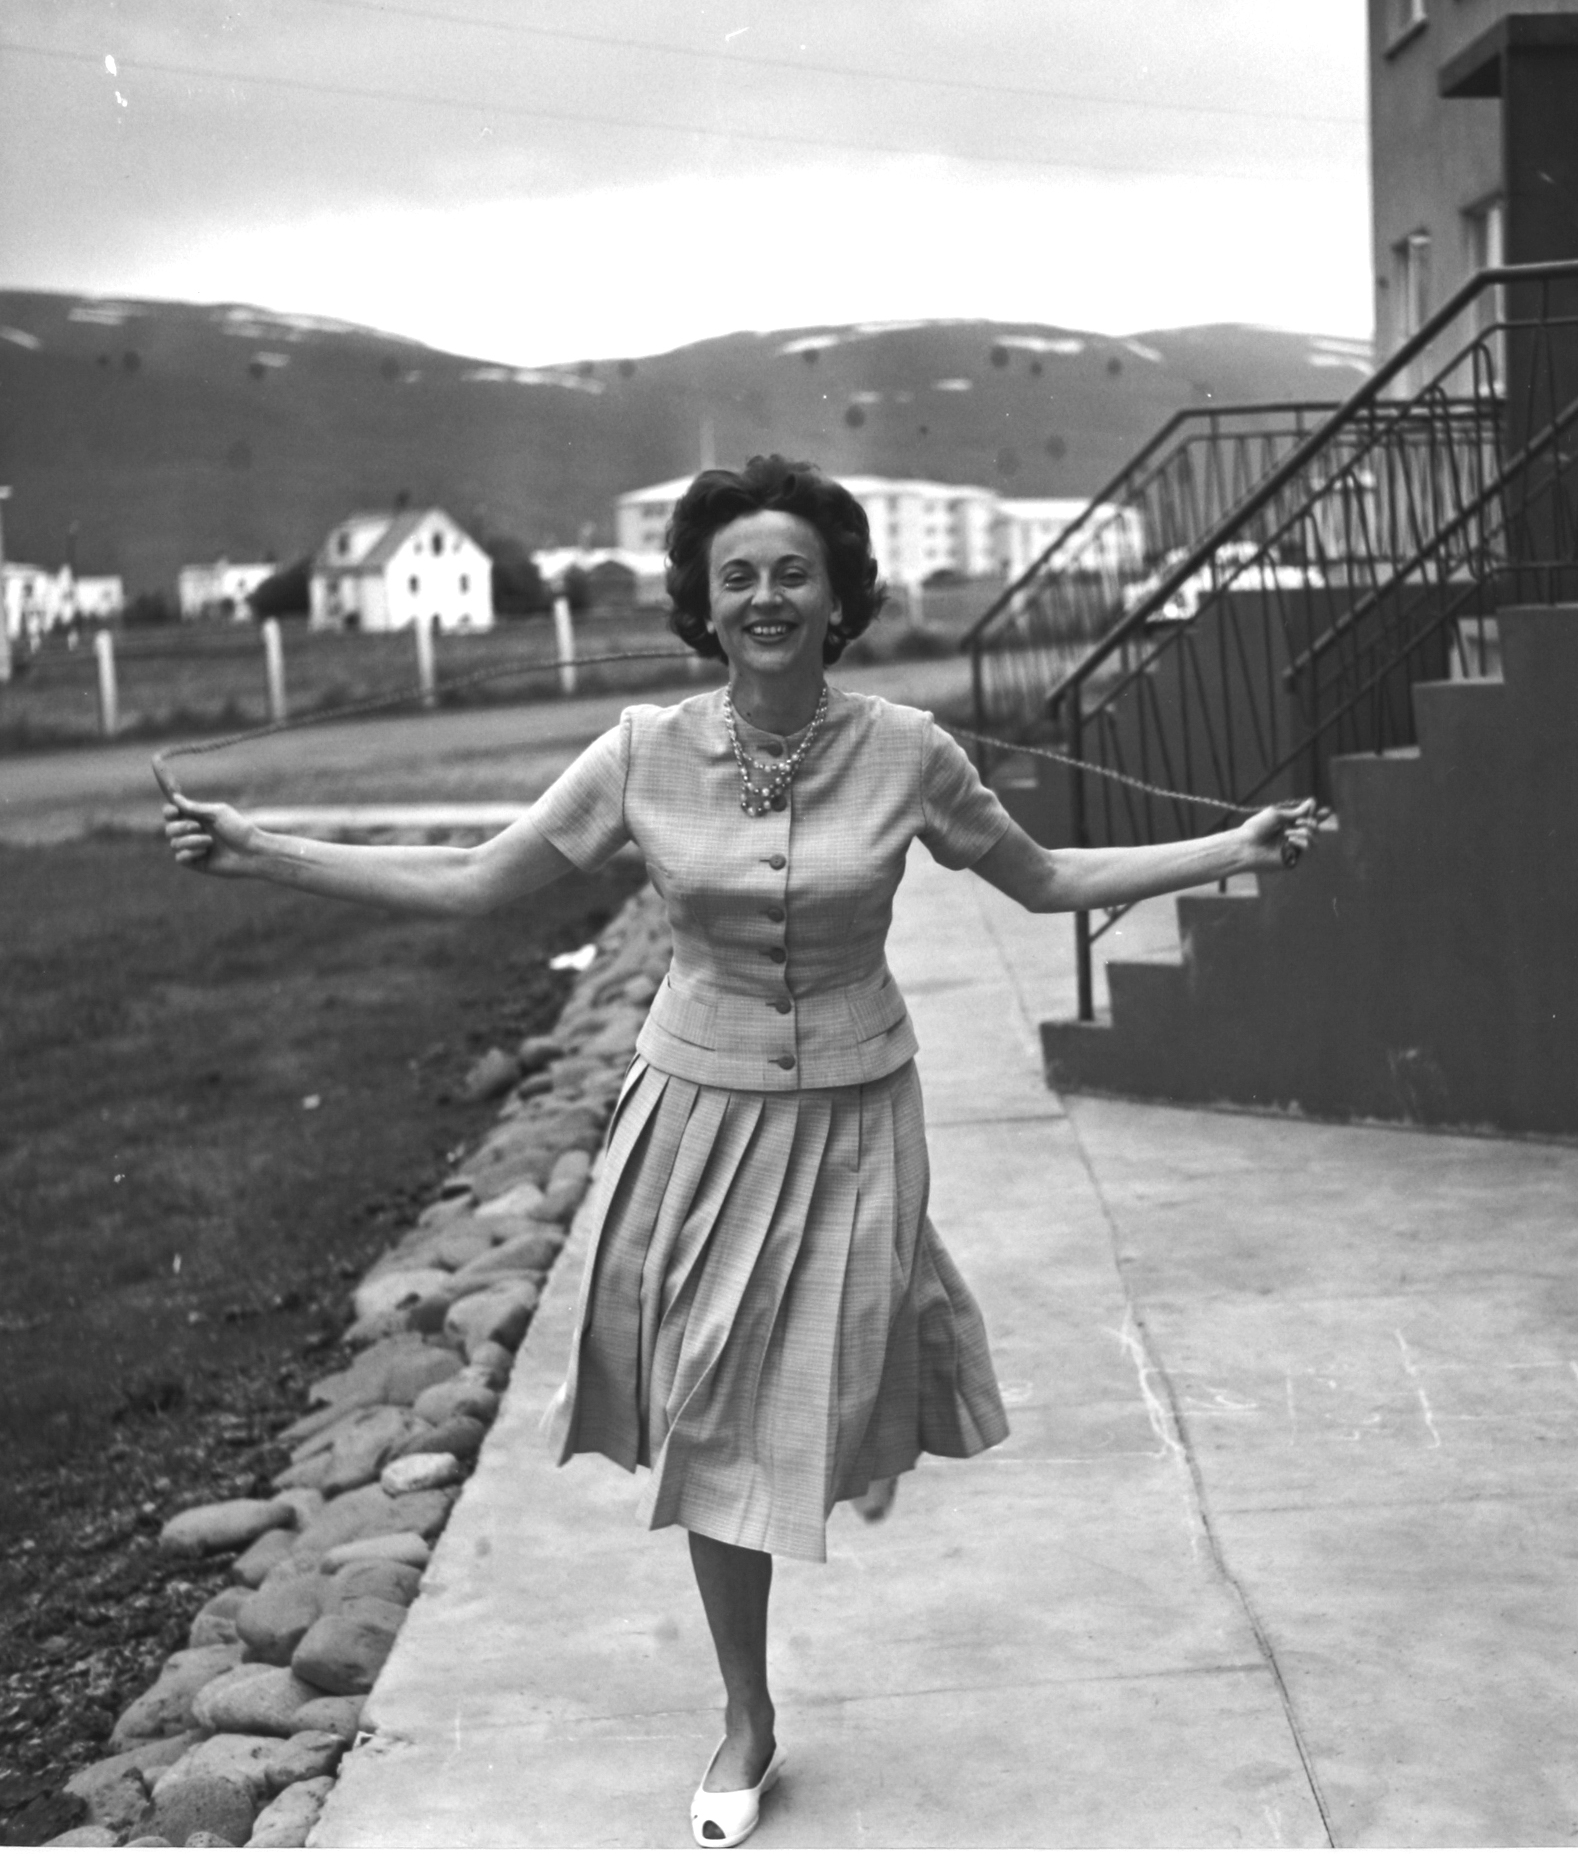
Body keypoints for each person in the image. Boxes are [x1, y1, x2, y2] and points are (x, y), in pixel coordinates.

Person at [160, 454, 1315, 1848]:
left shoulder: (909, 750)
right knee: (715, 1408)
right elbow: (474, 883)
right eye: (738, 577)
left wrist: (1231, 848)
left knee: (817, 1388)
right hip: (697, 1118)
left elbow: (1047, 879)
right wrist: (259, 849)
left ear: (836, 598)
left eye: (792, 573)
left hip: (856, 1116)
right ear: (705, 606)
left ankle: (809, 1524)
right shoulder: (642, 750)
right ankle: (747, 1714)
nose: (766, 596)